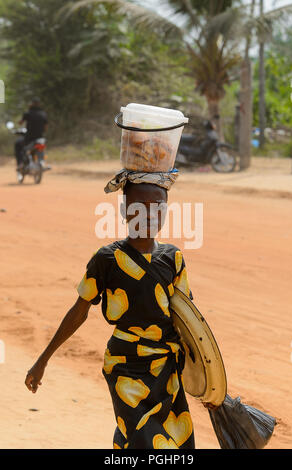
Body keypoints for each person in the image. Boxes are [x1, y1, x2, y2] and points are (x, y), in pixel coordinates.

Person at [25, 168, 214, 449]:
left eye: (158, 208)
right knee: (147, 444)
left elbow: (187, 321)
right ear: (125, 210)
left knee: (164, 442)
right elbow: (79, 311)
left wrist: (207, 381)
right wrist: (43, 360)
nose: (150, 215)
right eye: (141, 208)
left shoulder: (173, 258)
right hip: (126, 367)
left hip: (166, 367)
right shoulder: (107, 259)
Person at [15, 97, 48, 169]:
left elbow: (20, 122)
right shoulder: (43, 114)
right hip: (40, 137)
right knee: (41, 148)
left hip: (29, 138)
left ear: (32, 104)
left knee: (19, 145)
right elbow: (45, 127)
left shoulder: (28, 113)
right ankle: (42, 162)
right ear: (39, 104)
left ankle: (21, 164)